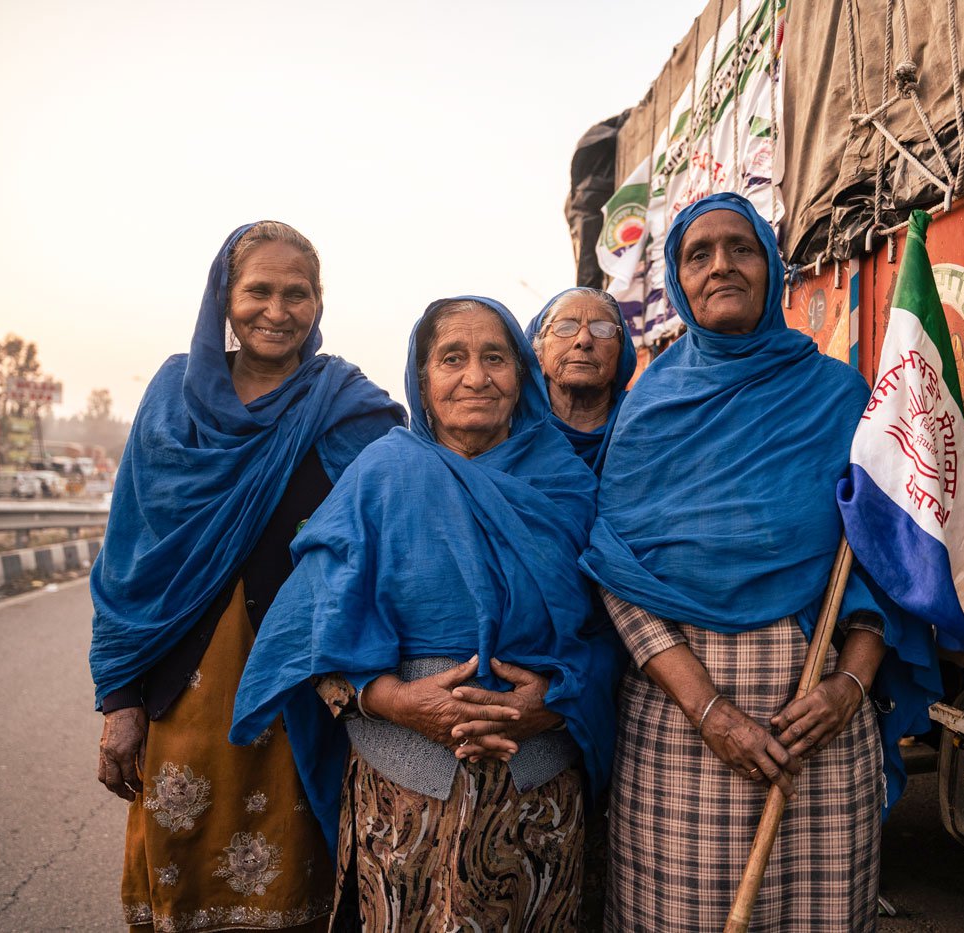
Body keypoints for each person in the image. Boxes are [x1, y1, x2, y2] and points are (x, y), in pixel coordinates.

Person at [580, 193, 939, 931]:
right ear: (678, 280)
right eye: (698, 253)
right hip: (682, 732)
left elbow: (882, 559)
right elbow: (617, 574)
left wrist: (847, 684)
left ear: (772, 268)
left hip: (818, 730)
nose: (721, 266)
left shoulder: (841, 398)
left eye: (740, 248)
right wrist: (710, 711)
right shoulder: (649, 408)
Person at [231, 296, 623, 931]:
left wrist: (556, 700)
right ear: (422, 379)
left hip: (537, 796)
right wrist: (394, 701)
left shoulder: (566, 484)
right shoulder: (380, 475)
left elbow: (611, 634)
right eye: (452, 358)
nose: (476, 376)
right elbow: (309, 635)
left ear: (521, 372)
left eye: (495, 357)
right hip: (402, 797)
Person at [90, 221, 406, 933]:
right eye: (258, 289)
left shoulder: (345, 404)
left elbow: (402, 515)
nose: (277, 308)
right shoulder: (174, 397)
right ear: (224, 297)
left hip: (303, 697)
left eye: (297, 293)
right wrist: (119, 698)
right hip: (184, 697)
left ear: (319, 304)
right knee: (186, 874)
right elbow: (128, 554)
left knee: (298, 886)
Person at [525, 287, 636, 472]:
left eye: (602, 330)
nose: (583, 340)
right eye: (565, 327)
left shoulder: (645, 423)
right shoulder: (509, 432)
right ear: (539, 357)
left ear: (621, 357)